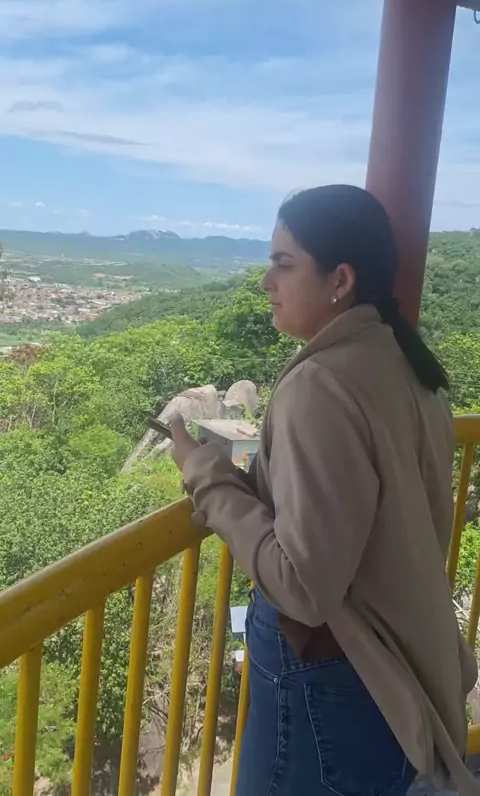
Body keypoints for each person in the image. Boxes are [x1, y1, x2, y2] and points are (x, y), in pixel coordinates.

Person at [171, 185, 478, 796]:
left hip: (330, 676)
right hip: (388, 667)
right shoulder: (403, 362)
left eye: (283, 264)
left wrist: (204, 473)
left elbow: (304, 588)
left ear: (340, 279)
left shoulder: (320, 383)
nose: (266, 282)